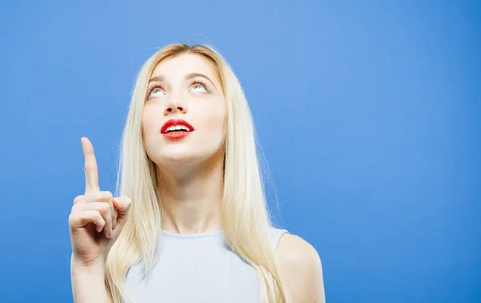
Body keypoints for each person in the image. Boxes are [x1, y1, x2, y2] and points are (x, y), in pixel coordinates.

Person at [68, 43, 325, 302]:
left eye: (198, 86)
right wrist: (88, 267)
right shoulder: (107, 262)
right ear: (141, 128)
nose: (173, 103)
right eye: (155, 91)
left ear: (230, 118)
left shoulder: (292, 262)